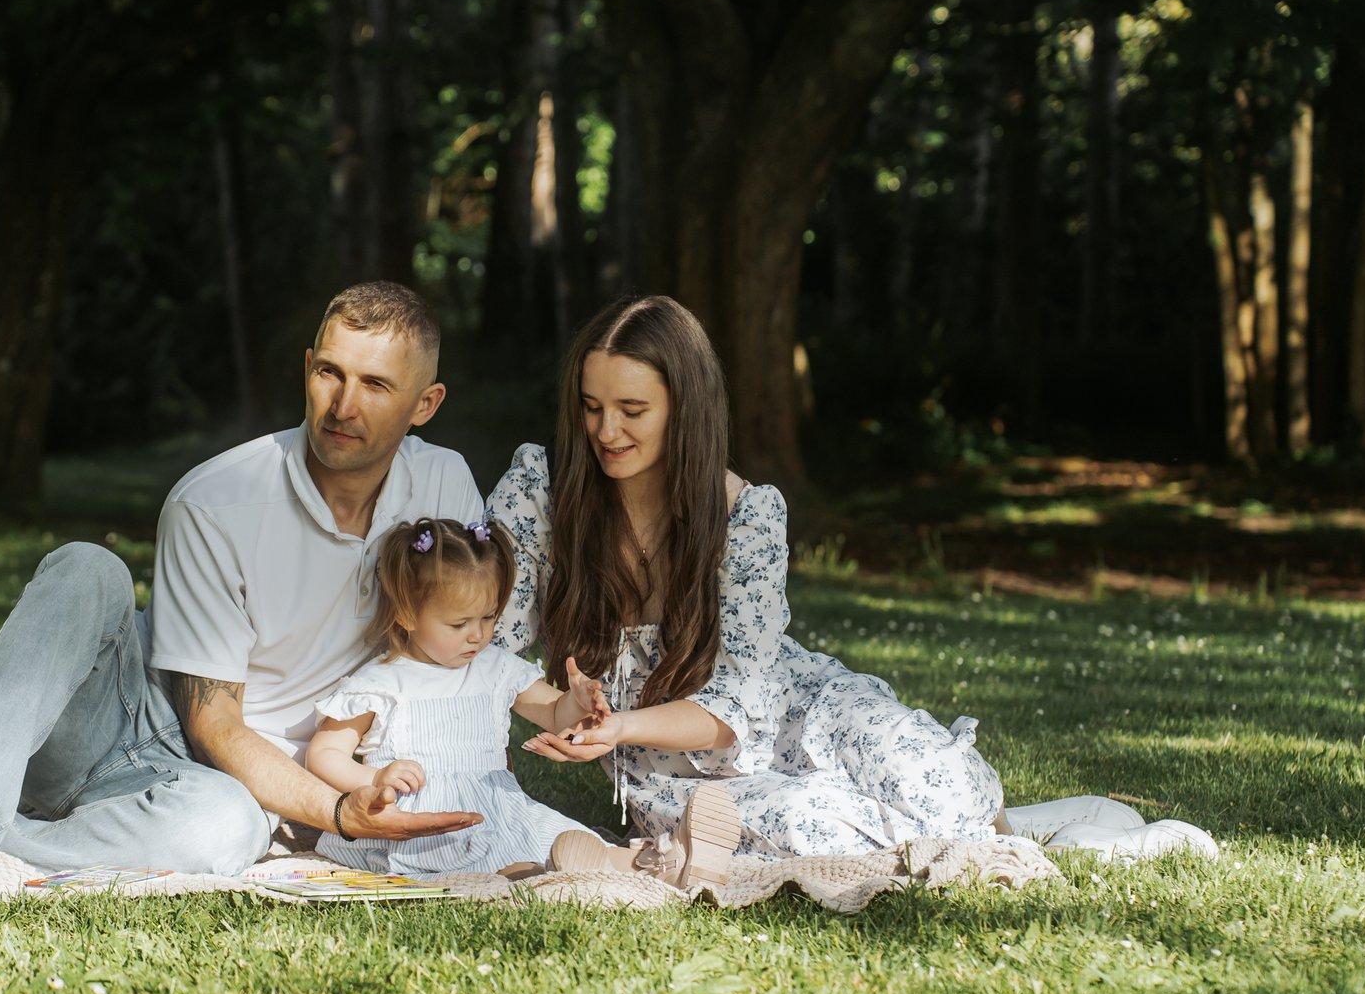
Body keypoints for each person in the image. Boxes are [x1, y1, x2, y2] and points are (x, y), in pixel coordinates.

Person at [490, 295, 1217, 867]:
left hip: (781, 703)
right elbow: (486, 649)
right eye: (590, 407)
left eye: (632, 411)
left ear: (685, 408)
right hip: (670, 766)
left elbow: (736, 702)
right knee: (813, 828)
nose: (606, 431)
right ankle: (1022, 843)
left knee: (930, 770)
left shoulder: (745, 515)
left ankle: (1005, 826)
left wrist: (613, 721)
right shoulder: (541, 490)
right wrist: (565, 713)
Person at [0, 282, 489, 905]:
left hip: (215, 789)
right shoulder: (218, 498)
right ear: (307, 367)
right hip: (120, 719)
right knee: (89, 566)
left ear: (424, 404)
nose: (343, 407)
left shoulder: (445, 488)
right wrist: (336, 812)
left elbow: (461, 648)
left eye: (375, 385)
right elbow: (214, 723)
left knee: (226, 833)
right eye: (330, 374)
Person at [305, 516, 618, 878]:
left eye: (488, 618)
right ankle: (517, 876)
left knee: (561, 835)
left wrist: (577, 703)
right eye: (459, 624)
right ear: (407, 614)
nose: (477, 635)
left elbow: (552, 713)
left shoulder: (495, 667)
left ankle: (647, 860)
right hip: (423, 822)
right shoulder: (381, 684)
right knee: (469, 852)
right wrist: (375, 779)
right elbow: (324, 754)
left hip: (500, 807)